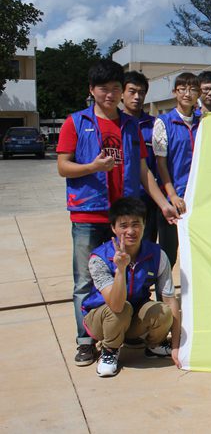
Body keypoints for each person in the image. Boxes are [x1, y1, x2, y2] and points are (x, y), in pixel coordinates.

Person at [56, 60, 179, 367]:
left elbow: (143, 170)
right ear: (91, 90)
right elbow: (63, 166)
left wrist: (163, 202)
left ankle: (132, 329)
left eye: (115, 88)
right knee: (84, 280)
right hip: (89, 213)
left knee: (133, 273)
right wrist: (92, 167)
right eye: (103, 89)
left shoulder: (130, 125)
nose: (110, 94)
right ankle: (86, 341)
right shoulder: (75, 122)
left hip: (125, 216)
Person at [83, 197, 181, 377]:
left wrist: (176, 346)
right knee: (121, 309)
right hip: (102, 319)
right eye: (123, 225)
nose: (130, 231)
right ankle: (109, 350)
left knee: (163, 311)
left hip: (133, 318)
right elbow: (116, 305)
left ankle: (155, 345)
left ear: (144, 225)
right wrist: (120, 270)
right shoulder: (99, 258)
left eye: (136, 224)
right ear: (113, 228)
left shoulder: (157, 254)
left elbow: (170, 300)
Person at [153, 72, 202, 269]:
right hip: (174, 197)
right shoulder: (163, 122)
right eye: (182, 89)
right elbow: (161, 163)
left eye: (193, 89)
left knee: (198, 251)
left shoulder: (203, 122)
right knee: (169, 254)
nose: (187, 94)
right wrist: (172, 195)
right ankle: (163, 289)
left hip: (198, 197)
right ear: (175, 92)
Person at [121, 71, 158, 243]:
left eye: (141, 92)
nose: (137, 97)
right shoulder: (115, 124)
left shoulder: (155, 125)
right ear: (122, 93)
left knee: (146, 244)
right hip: (122, 197)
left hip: (149, 198)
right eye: (132, 91)